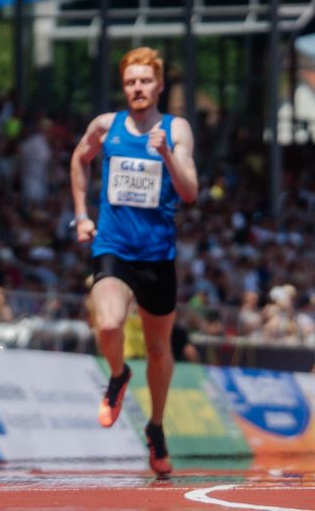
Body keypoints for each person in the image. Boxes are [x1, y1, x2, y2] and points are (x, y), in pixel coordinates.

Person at [69, 45, 199, 478]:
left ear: (159, 85)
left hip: (157, 256)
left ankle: (156, 428)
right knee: (107, 323)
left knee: (160, 350)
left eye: (145, 81)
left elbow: (190, 191)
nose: (137, 88)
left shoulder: (175, 129)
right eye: (130, 82)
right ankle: (119, 374)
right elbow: (79, 158)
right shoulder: (107, 127)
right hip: (113, 247)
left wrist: (166, 155)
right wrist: (82, 216)